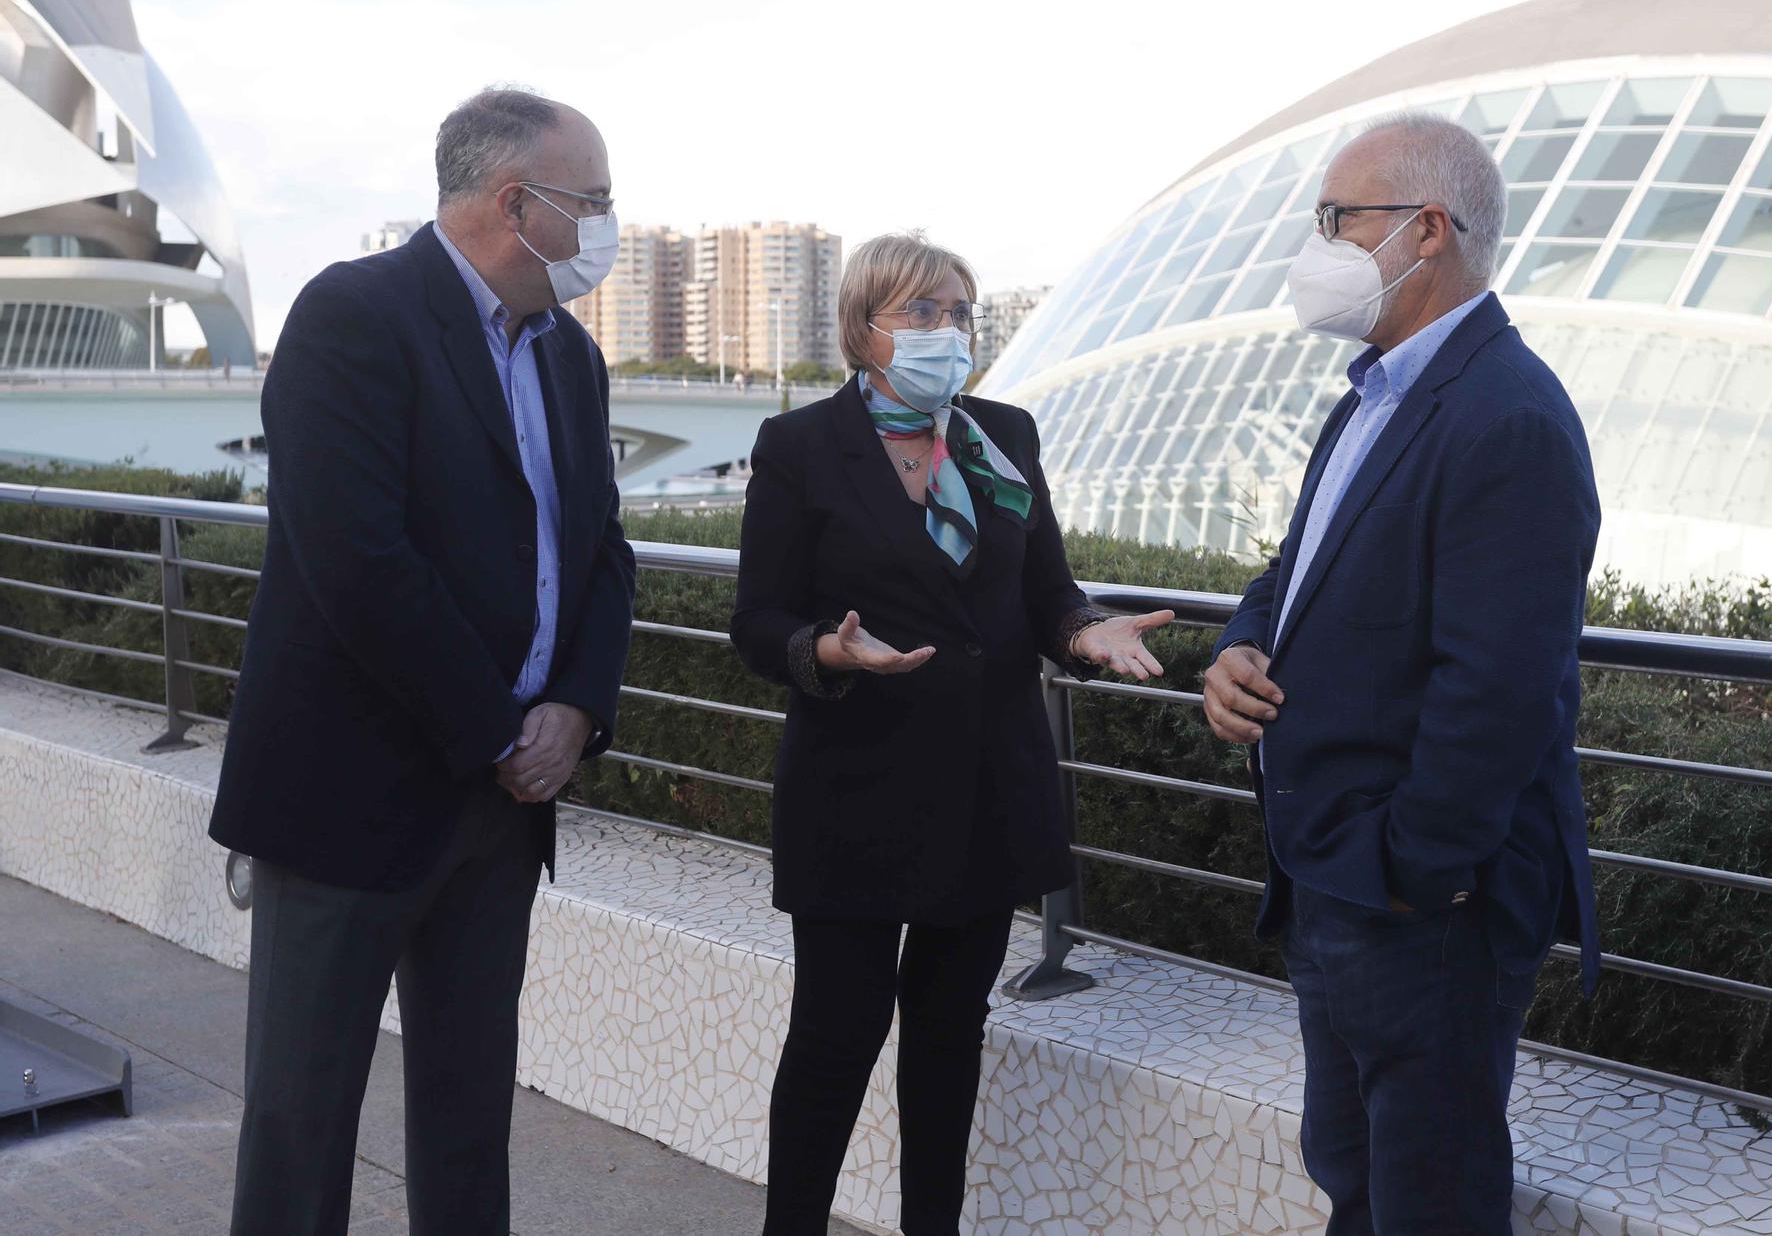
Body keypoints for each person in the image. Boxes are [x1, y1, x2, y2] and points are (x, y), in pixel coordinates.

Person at [209, 87, 637, 1235]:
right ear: (516, 202)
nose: (606, 224)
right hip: (350, 800)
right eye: (591, 201)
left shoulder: (569, 358)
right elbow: (358, 562)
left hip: (499, 816)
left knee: (465, 1124)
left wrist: (575, 710)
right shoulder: (355, 315)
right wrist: (503, 728)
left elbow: (603, 554)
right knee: (301, 1127)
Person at [1201, 113, 1601, 1236]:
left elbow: (1498, 693)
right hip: (1341, 881)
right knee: (1359, 1178)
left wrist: (1403, 871)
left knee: (1429, 1200)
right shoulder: (1369, 397)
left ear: (1425, 231)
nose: (1317, 244)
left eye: (1338, 219)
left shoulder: (1506, 416)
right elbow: (1296, 569)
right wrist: (1239, 642)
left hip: (1419, 908)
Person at [731, 231, 1173, 1234]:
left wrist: (1083, 630)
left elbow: (1047, 591)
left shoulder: (1002, 434)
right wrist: (826, 652)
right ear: (864, 325)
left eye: (960, 312)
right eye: (922, 313)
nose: (946, 332)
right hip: (853, 794)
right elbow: (756, 620)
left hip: (986, 789)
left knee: (947, 1035)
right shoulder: (799, 445)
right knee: (834, 1036)